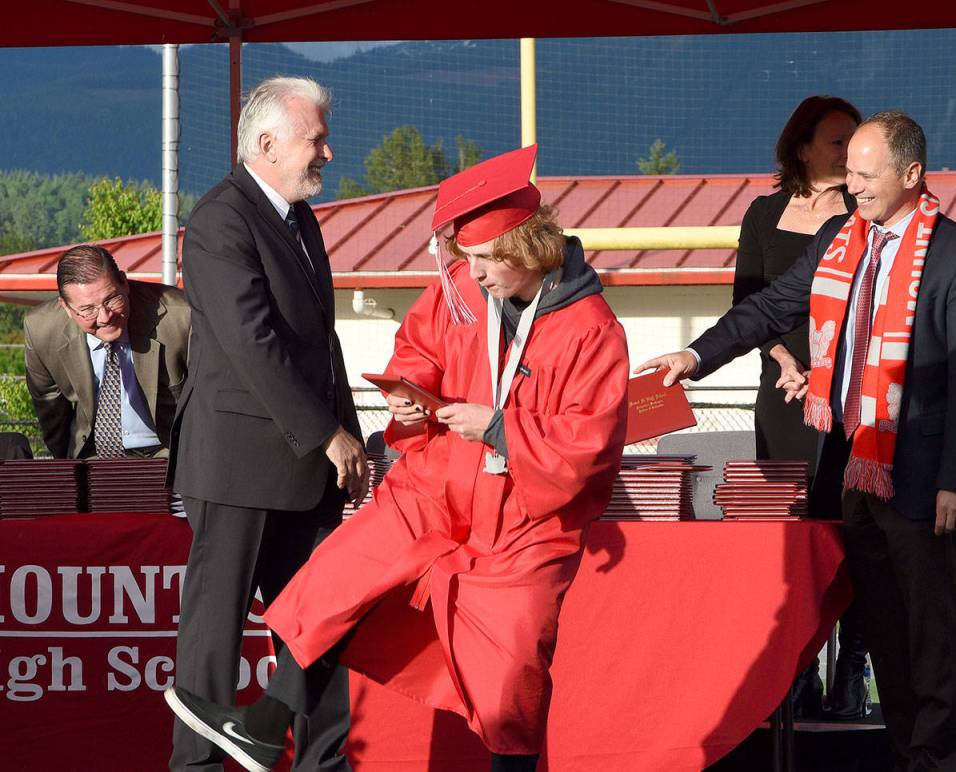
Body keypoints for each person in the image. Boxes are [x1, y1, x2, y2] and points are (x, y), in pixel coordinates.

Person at [164, 144, 629, 772]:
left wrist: (498, 427)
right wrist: (410, 396)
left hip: (524, 522)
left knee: (509, 675)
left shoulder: (591, 331)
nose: (476, 273)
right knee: (333, 581)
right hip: (434, 486)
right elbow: (418, 348)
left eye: (489, 260)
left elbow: (588, 446)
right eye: (468, 258)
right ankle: (267, 725)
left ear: (528, 252)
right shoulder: (462, 289)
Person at [638, 112, 956, 771]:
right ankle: (908, 751)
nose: (852, 186)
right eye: (849, 172)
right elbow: (771, 307)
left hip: (922, 479)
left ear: (912, 174)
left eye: (866, 174)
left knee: (932, 630)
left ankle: (940, 758)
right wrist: (696, 355)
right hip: (851, 469)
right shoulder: (840, 239)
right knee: (886, 630)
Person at [166, 76, 367, 772]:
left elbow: (320, 341)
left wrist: (350, 430)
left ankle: (324, 762)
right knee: (213, 642)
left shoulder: (299, 219)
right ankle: (196, 766)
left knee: (321, 624)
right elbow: (256, 345)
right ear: (267, 143)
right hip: (239, 467)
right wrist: (327, 434)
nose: (329, 154)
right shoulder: (221, 220)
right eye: (317, 140)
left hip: (308, 470)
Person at [733, 95, 866, 720]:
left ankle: (853, 674)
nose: (848, 153)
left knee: (853, 531)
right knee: (791, 536)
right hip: (782, 396)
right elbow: (751, 303)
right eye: (838, 141)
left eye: (854, 141)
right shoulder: (762, 214)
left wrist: (825, 373)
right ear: (803, 146)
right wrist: (787, 365)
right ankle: (800, 670)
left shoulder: (867, 212)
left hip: (850, 399)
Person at [23, 244, 190, 458]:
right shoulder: (41, 330)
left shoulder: (180, 316)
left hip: (169, 451)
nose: (104, 316)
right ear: (65, 307)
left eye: (112, 299)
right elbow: (50, 408)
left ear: (124, 282)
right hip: (91, 452)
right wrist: (66, 464)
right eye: (87, 309)